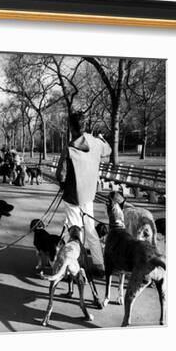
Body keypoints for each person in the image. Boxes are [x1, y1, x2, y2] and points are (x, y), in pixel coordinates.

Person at [56, 111, 111, 273]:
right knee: (90, 229)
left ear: (71, 127)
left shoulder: (69, 149)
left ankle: (75, 268)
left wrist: (62, 183)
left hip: (72, 196)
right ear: (85, 125)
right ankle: (99, 265)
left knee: (74, 231)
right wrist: (100, 138)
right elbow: (107, 150)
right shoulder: (96, 143)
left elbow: (60, 175)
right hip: (88, 195)